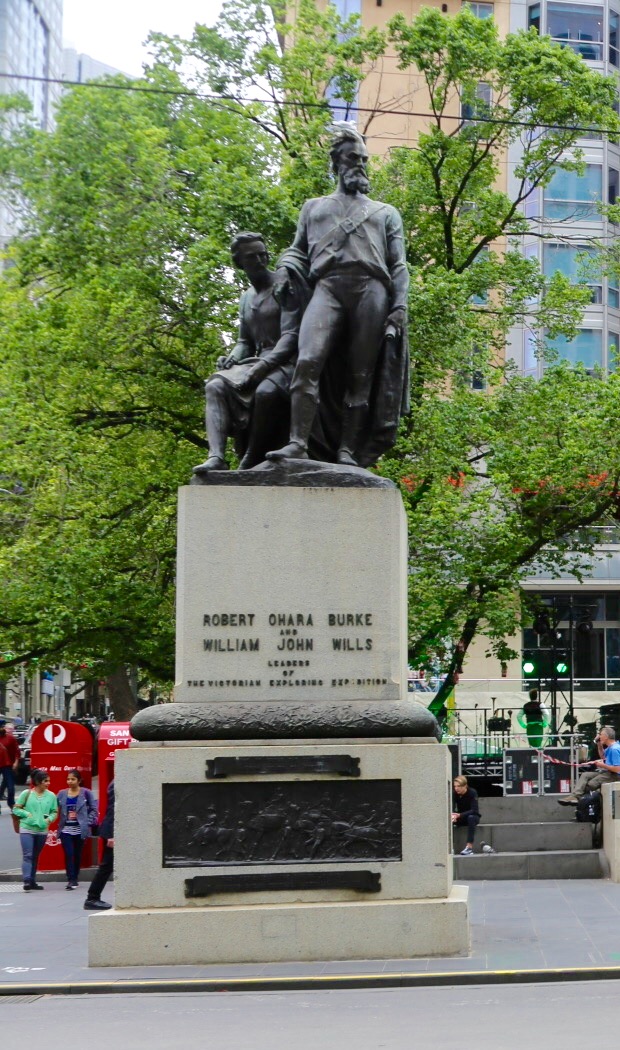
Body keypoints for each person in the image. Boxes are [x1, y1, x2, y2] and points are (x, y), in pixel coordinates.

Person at [267, 121, 410, 468]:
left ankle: (348, 449)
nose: (359, 164)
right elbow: (297, 250)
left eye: (363, 159)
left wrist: (399, 307)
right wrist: (284, 268)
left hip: (371, 290)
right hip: (327, 286)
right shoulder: (313, 208)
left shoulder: (385, 213)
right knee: (307, 361)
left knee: (360, 375)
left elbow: (399, 265)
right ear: (336, 162)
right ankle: (297, 443)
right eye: (352, 158)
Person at [192, 232, 306, 474]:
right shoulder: (246, 298)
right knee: (214, 386)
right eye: (252, 257)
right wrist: (233, 357)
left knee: (266, 392)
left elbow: (291, 336)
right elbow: (245, 341)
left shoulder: (284, 287)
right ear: (239, 262)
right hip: (256, 360)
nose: (260, 260)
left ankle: (252, 457)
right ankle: (216, 457)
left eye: (263, 254)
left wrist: (263, 367)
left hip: (286, 361)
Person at [13, 769, 58, 891]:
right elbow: (16, 809)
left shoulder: (51, 796)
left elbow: (54, 812)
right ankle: (27, 880)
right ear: (38, 782)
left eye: (48, 781)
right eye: (45, 781)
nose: (48, 783)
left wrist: (49, 820)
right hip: (26, 828)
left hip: (42, 830)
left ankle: (32, 881)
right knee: (28, 855)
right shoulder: (26, 793)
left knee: (35, 856)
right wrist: (27, 814)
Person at [558, 725, 620, 806]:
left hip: (615, 775)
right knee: (585, 775)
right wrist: (599, 744)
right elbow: (603, 756)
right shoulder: (611, 747)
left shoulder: (614, 749)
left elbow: (617, 769)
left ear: (606, 737)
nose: (599, 736)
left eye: (600, 735)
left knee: (591, 784)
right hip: (608, 772)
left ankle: (580, 799)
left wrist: (603, 765)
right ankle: (574, 797)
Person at [57, 770, 98, 890]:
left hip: (80, 830)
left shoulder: (86, 793)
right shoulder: (62, 793)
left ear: (79, 781)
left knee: (77, 854)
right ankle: (71, 879)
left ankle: (75, 877)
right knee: (69, 854)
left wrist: (87, 822)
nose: (70, 781)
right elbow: (54, 807)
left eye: (73, 779)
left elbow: (94, 809)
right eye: (68, 779)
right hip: (65, 830)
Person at [84, 778, 114, 910]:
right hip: (113, 833)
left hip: (118, 832)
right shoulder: (117, 783)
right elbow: (113, 810)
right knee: (106, 866)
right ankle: (92, 898)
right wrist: (112, 835)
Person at [452, 774, 480, 855]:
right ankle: (450, 847)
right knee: (449, 819)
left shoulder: (472, 792)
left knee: (471, 818)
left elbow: (474, 810)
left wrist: (459, 815)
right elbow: (452, 807)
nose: (456, 788)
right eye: (455, 786)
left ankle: (469, 848)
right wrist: (453, 815)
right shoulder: (454, 794)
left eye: (459, 786)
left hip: (473, 817)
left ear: (465, 786)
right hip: (461, 817)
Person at [0, 718, 20, 812]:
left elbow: (17, 751)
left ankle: (11, 803)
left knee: (11, 787)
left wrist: (16, 762)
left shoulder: (10, 738)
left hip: (7, 765)